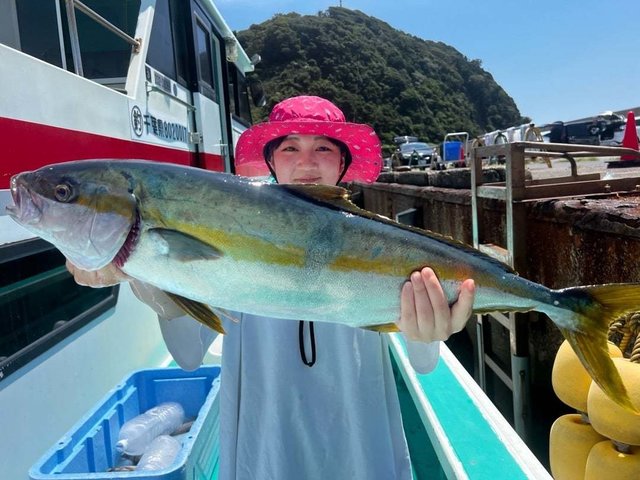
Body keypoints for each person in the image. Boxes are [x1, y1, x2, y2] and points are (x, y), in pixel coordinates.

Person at [67, 95, 475, 479]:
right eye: (290, 148)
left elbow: (424, 362)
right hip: (267, 448)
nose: (306, 162)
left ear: (342, 163)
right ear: (271, 161)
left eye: (323, 148)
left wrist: (428, 332)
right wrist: (143, 274)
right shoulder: (233, 234)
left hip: (358, 443)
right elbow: (188, 354)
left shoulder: (383, 245)